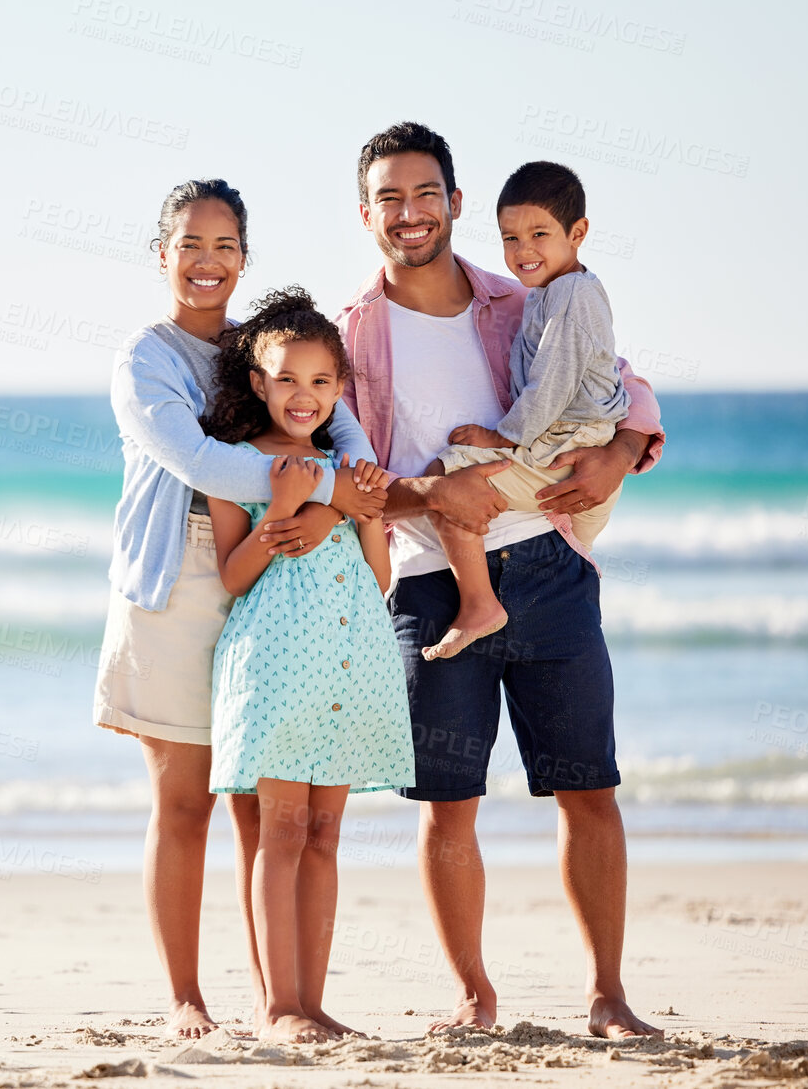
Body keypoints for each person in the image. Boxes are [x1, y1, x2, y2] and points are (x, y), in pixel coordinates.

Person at [311, 122, 667, 1040]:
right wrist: (440, 493)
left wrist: (626, 449)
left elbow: (619, 383)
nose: (408, 211)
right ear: (364, 214)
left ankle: (608, 995)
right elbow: (359, 483)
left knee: (588, 787)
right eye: (388, 196)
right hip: (430, 587)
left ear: (454, 203)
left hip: (546, 568)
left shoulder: (518, 297)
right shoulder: (350, 336)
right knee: (446, 806)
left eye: (424, 192)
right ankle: (473, 997)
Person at [95, 179, 387, 1038]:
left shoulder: (257, 353)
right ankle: (186, 995)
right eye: (190, 244)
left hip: (282, 573)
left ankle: (282, 1003)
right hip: (179, 579)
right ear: (161, 254)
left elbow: (342, 433)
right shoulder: (143, 358)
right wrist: (331, 492)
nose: (207, 262)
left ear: (244, 258)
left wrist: (340, 497)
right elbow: (202, 463)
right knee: (183, 801)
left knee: (264, 807)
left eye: (224, 247)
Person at [199, 288, 411, 1043]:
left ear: (338, 390)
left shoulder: (346, 469)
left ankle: (313, 1004)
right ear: (259, 381)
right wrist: (282, 510)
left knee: (323, 836)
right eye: (288, 379)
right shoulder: (235, 464)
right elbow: (231, 575)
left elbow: (378, 575)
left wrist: (357, 510)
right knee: (279, 834)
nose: (304, 396)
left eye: (321, 383)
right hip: (277, 664)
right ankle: (277, 1005)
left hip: (348, 661)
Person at [419, 160, 631, 661]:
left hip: (571, 447)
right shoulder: (547, 292)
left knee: (445, 477)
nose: (523, 250)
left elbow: (550, 384)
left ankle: (479, 606)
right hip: (565, 441)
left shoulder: (574, 295)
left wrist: (502, 437)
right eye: (509, 238)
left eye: (539, 233)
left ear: (577, 233)